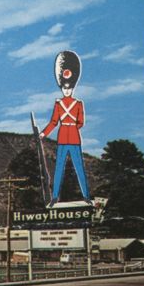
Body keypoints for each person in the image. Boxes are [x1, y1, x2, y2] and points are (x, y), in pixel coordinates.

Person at [39, 50, 91, 206]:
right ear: (62, 88)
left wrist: (71, 126)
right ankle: (55, 197)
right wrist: (44, 133)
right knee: (59, 168)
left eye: (69, 89)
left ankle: (86, 196)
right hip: (63, 138)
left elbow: (81, 122)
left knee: (79, 168)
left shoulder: (78, 104)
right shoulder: (58, 104)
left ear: (72, 89)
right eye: (65, 89)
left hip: (73, 138)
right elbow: (54, 121)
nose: (66, 91)